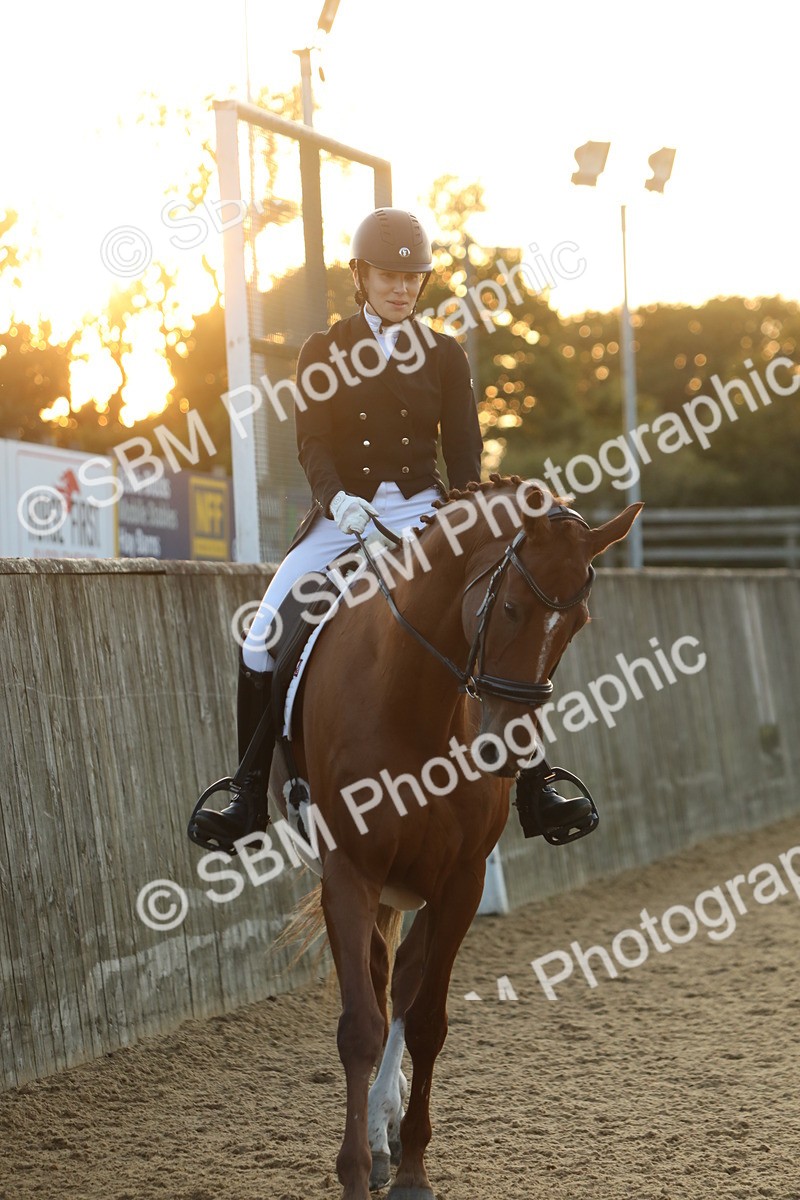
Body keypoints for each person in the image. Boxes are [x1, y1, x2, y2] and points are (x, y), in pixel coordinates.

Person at [188, 207, 588, 855]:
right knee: (262, 636)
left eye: (412, 277)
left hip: (426, 514)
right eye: (388, 276)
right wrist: (339, 504)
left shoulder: (445, 355)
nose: (401, 288)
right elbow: (312, 442)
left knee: (498, 616)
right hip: (341, 514)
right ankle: (247, 791)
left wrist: (470, 528)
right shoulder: (323, 350)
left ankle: (537, 784)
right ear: (361, 277)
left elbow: (464, 452)